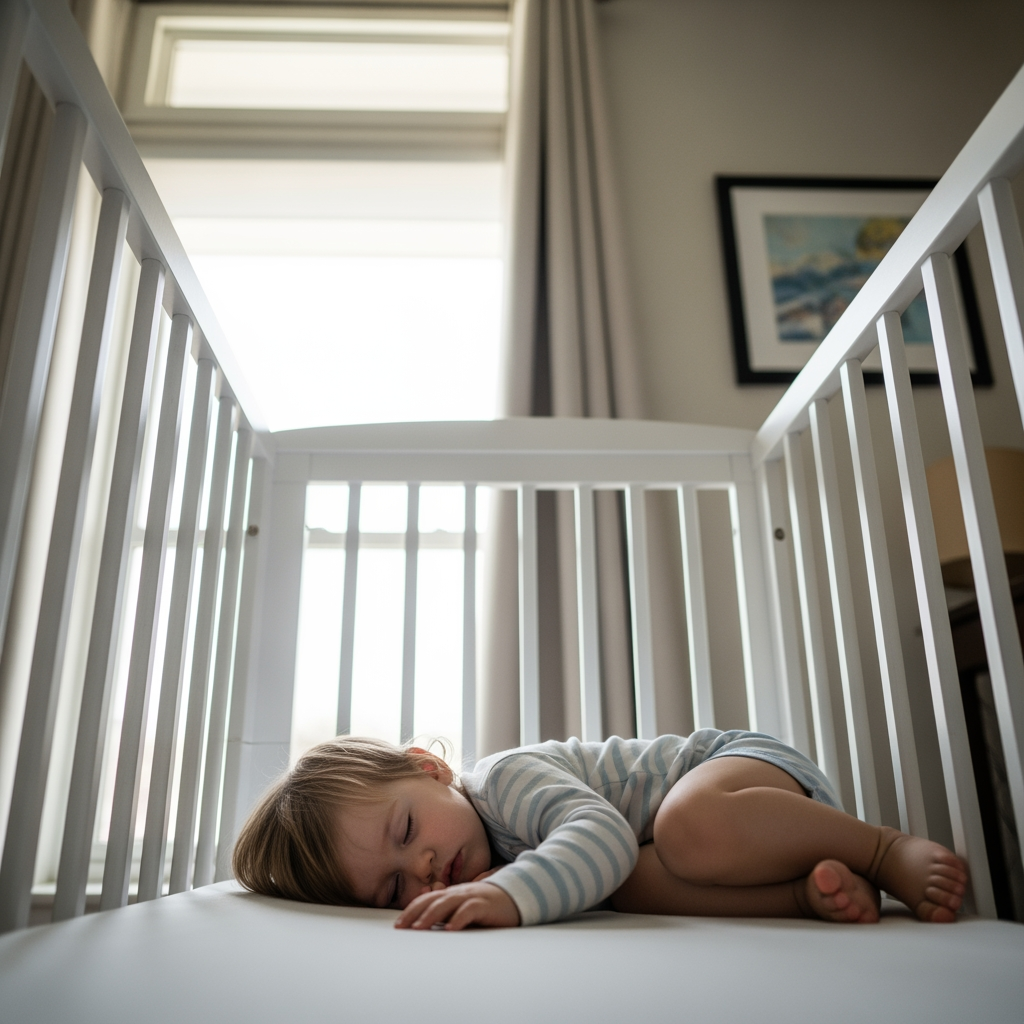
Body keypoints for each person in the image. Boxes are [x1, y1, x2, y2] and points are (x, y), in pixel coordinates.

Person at [232, 730, 968, 930]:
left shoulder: (504, 780)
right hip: (719, 859)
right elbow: (617, 868)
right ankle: (800, 900)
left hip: (742, 776)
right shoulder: (478, 854)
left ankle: (878, 846)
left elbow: (603, 838)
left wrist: (513, 898)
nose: (423, 866)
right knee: (631, 890)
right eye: (392, 886)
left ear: (429, 770)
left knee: (682, 829)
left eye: (406, 830)